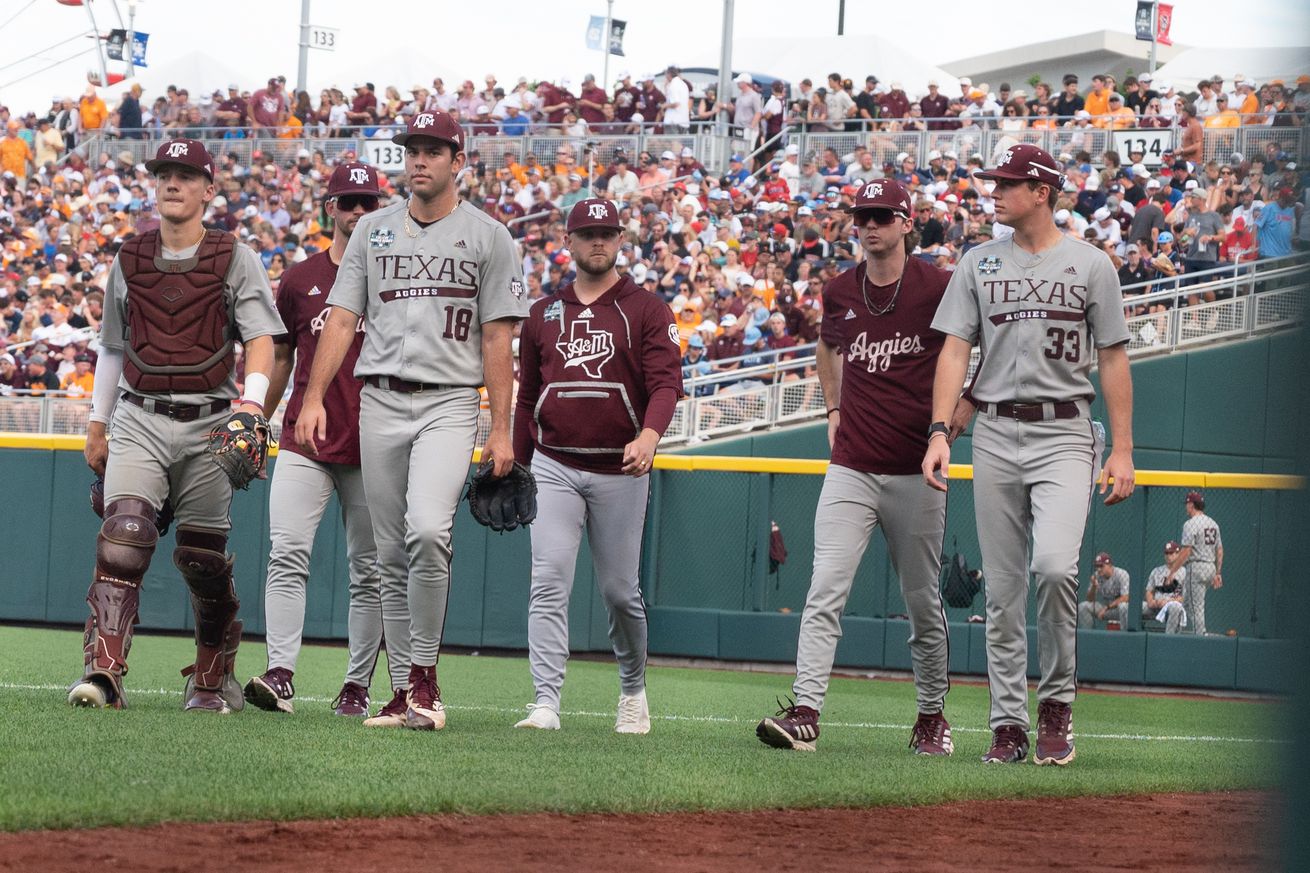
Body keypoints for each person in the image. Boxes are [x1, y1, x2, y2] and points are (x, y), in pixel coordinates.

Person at [294, 110, 528, 732]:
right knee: (386, 551)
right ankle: (404, 693)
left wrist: (500, 428)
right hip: (380, 399)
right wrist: (314, 396)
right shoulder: (372, 230)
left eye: (432, 149)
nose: (418, 159)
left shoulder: (488, 236)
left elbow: (500, 338)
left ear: (458, 161)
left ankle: (423, 676)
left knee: (428, 530)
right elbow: (341, 318)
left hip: (450, 399)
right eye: (411, 149)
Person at [922, 143, 1135, 767]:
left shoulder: (1092, 264)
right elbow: (955, 351)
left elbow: (1115, 358)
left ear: (1041, 191)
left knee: (1053, 568)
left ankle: (1057, 704)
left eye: (1008, 183)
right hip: (992, 431)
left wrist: (1121, 450)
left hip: (1066, 431)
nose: (995, 191)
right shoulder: (977, 263)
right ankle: (1009, 723)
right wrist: (940, 431)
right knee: (1004, 592)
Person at [68, 138, 283, 713]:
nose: (172, 183)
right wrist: (97, 422)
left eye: (186, 175)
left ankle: (213, 673)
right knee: (126, 537)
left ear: (208, 190)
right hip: (139, 414)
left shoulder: (234, 255)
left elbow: (262, 337)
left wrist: (254, 405)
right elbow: (112, 347)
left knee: (202, 560)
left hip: (211, 421)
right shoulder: (129, 256)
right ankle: (103, 674)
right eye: (164, 172)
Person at [756, 179, 967, 756]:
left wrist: (952, 423)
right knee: (825, 587)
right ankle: (805, 711)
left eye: (881, 216)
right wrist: (832, 405)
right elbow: (829, 346)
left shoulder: (938, 286)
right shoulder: (841, 289)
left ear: (906, 223)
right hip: (852, 463)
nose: (870, 225)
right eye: (862, 216)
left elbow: (975, 356)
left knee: (922, 600)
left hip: (914, 470)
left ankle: (931, 715)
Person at [243, 162, 410, 721]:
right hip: (304, 438)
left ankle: (358, 685)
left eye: (367, 202)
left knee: (369, 571)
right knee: (286, 554)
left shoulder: (399, 279)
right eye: (348, 202)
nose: (357, 212)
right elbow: (284, 357)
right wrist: (258, 422)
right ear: (330, 209)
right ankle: (281, 673)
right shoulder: (300, 279)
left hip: (375, 443)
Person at [510, 198, 682, 734]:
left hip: (620, 469)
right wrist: (516, 464)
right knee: (548, 579)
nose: (598, 241)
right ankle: (545, 700)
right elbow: (526, 399)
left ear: (621, 239)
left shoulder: (648, 309)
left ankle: (633, 690)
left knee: (619, 592)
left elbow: (666, 384)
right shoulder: (542, 314)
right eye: (587, 233)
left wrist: (651, 435)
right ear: (569, 241)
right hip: (555, 463)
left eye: (607, 232)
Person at [1167, 492, 1223, 635]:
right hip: (1210, 567)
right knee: (1186, 603)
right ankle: (1174, 633)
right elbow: (1220, 550)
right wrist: (1217, 573)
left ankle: (1201, 637)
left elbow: (1186, 552)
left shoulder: (1190, 524)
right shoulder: (1213, 523)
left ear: (1191, 505)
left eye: (1187, 504)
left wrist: (1172, 571)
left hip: (1197, 567)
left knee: (1196, 607)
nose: (1186, 507)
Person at [1144, 541, 1187, 633]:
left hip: (1171, 606)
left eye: (1171, 553)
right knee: (1128, 608)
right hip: (1155, 606)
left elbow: (1185, 597)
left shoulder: (1184, 572)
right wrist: (1151, 601)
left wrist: (1168, 602)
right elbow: (1149, 591)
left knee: (1175, 608)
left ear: (1178, 554)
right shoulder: (1156, 571)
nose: (1168, 556)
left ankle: (1168, 639)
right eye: (1166, 553)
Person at [1077, 552, 1129, 628]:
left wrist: (1107, 607)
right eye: (1097, 566)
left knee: (1123, 607)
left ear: (1110, 565)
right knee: (1083, 606)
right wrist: (1094, 587)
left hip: (1119, 609)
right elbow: (1090, 599)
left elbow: (1126, 597)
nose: (1099, 569)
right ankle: (1088, 635)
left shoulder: (1121, 574)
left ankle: (1125, 637)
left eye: (1101, 566)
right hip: (1105, 608)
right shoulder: (1096, 575)